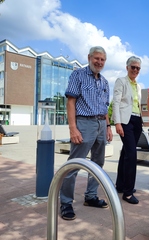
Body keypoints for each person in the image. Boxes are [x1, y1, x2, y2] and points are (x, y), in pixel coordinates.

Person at [60, 46, 113, 220]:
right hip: (84, 123)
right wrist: (73, 128)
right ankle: (66, 202)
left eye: (102, 59)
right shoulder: (78, 75)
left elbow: (105, 107)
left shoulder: (104, 82)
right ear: (89, 57)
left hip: (101, 124)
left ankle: (90, 196)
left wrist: (108, 126)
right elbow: (71, 102)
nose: (99, 62)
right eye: (96, 58)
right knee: (74, 164)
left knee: (97, 164)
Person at [112, 56, 143, 204]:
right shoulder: (121, 82)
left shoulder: (138, 86)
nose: (135, 70)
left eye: (138, 68)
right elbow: (116, 103)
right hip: (126, 121)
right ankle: (128, 193)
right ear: (127, 67)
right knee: (131, 155)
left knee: (126, 152)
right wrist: (117, 122)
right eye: (133, 67)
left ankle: (120, 185)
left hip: (137, 120)